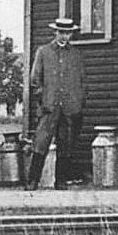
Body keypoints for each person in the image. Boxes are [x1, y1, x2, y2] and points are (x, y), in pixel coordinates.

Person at [26, 16, 86, 189]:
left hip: (69, 107)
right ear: (55, 32)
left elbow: (82, 81)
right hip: (49, 106)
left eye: (68, 33)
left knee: (66, 144)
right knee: (41, 143)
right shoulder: (43, 52)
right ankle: (33, 181)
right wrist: (43, 99)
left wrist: (79, 101)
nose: (64, 36)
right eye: (61, 32)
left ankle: (61, 181)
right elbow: (35, 80)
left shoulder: (76, 55)